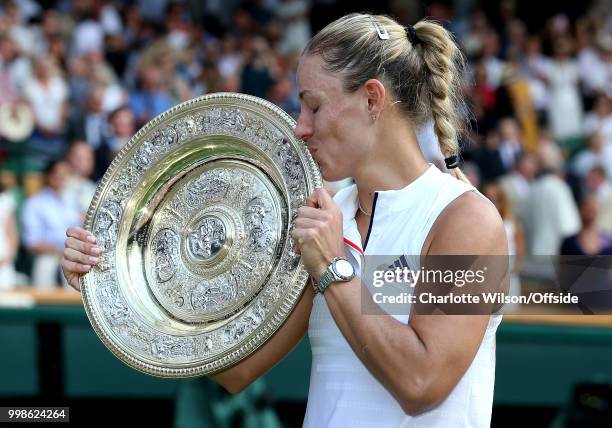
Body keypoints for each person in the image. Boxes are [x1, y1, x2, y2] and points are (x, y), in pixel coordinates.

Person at [61, 14, 507, 427]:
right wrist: (111, 282)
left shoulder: (466, 219)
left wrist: (333, 269)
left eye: (314, 106)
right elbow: (237, 372)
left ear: (373, 99)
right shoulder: (324, 217)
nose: (300, 127)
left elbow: (421, 385)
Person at [23, 159, 80, 288]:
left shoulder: (73, 201)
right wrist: (58, 251)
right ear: (49, 175)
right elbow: (32, 242)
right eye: (57, 173)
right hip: (47, 258)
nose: (61, 178)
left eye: (65, 174)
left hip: (72, 257)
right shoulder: (35, 203)